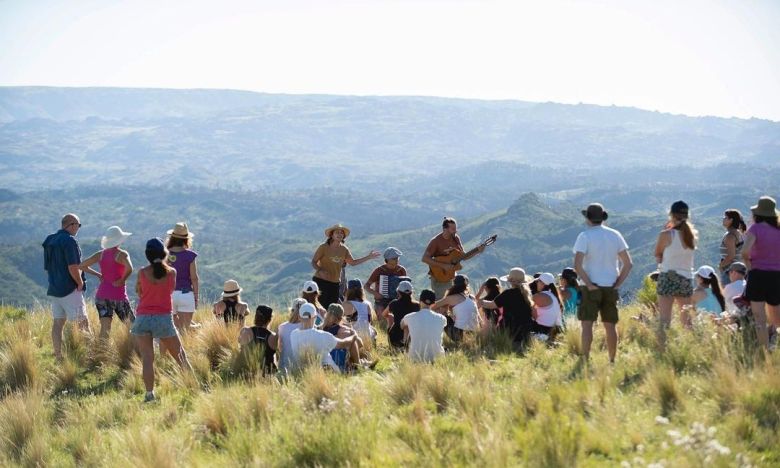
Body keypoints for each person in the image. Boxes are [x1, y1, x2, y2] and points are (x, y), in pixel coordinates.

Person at [131, 238, 193, 402]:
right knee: (180, 356)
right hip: (163, 318)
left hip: (143, 318)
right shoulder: (172, 273)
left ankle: (149, 394)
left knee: (147, 359)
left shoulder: (142, 272)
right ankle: (194, 386)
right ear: (164, 253)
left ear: (147, 255)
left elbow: (139, 292)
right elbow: (170, 290)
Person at [573, 203, 633, 363]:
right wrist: (618, 283)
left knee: (587, 325)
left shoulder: (584, 236)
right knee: (610, 325)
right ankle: (612, 360)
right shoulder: (615, 235)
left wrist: (589, 284)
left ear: (588, 218)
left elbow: (577, 265)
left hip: (590, 287)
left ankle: (585, 359)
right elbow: (628, 264)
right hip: (610, 285)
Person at [43, 213, 90, 360]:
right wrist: (80, 282)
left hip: (54, 289)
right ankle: (90, 355)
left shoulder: (50, 240)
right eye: (78, 225)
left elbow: (47, 267)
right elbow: (73, 266)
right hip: (70, 289)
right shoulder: (70, 241)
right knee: (82, 322)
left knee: (58, 323)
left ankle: (58, 355)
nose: (78, 228)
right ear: (71, 225)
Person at [78, 225, 134, 340]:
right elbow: (130, 268)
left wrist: (98, 275)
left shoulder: (101, 254)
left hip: (102, 296)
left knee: (105, 328)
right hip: (118, 296)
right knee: (132, 326)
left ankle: (101, 355)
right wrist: (122, 280)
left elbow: (82, 265)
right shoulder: (122, 254)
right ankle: (138, 352)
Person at [742, 196, 780, 349]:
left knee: (759, 318)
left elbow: (745, 251)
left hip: (758, 275)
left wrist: (749, 266)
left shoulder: (755, 229)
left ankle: (764, 351)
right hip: (777, 276)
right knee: (776, 318)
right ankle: (774, 346)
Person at [311, 224, 380, 308]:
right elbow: (313, 262)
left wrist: (368, 257)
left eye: (341, 233)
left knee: (331, 308)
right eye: (337, 232)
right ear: (331, 235)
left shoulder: (344, 249)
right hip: (321, 281)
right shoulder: (323, 247)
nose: (340, 234)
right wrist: (320, 270)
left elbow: (353, 262)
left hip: (335, 283)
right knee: (318, 306)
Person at [654, 201, 697, 331]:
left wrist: (667, 228)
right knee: (687, 321)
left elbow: (657, 254)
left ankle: (662, 348)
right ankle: (690, 346)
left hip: (668, 276)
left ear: (671, 214)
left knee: (665, 320)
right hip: (686, 278)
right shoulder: (692, 236)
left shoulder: (666, 234)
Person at [421, 217, 485, 300]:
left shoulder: (456, 238)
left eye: (455, 228)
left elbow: (464, 257)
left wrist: (477, 251)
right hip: (439, 278)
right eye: (453, 229)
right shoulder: (436, 241)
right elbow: (424, 258)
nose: (455, 231)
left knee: (455, 300)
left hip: (451, 276)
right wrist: (443, 265)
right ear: (445, 229)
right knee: (441, 302)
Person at [290, 303, 356, 372]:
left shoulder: (293, 334)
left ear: (299, 317)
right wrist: (354, 336)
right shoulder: (323, 336)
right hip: (331, 374)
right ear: (315, 317)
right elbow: (345, 343)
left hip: (304, 372)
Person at [480, 268, 535, 346]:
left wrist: (481, 302)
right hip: (525, 333)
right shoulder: (526, 294)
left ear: (510, 281)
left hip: (510, 332)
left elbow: (491, 305)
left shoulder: (508, 293)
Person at [166, 222, 199, 332]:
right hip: (186, 294)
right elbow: (194, 278)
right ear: (186, 239)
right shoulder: (190, 256)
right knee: (185, 330)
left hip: (169, 295)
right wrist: (195, 296)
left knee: (173, 330)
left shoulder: (165, 254)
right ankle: (198, 328)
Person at [431, 274, 482, 343]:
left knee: (442, 315)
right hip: (474, 334)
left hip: (459, 335)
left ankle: (433, 338)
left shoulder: (451, 298)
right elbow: (479, 318)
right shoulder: (472, 297)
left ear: (453, 284)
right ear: (466, 285)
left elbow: (433, 306)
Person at [401, 289, 447, 362]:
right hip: (437, 359)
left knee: (406, 326)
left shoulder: (409, 317)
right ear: (433, 303)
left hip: (414, 358)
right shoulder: (442, 318)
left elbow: (402, 325)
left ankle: (405, 350)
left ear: (419, 300)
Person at [365, 247, 408, 316]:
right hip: (381, 301)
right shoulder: (379, 270)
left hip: (397, 300)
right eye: (394, 258)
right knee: (381, 321)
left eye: (397, 258)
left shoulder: (401, 270)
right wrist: (376, 293)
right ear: (387, 260)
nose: (397, 260)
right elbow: (366, 286)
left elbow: (405, 286)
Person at [321, 304, 364, 371]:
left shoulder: (320, 328)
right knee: (353, 340)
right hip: (337, 359)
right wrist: (354, 333)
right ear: (341, 318)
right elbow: (361, 344)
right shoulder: (342, 330)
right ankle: (358, 365)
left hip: (323, 360)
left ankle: (360, 363)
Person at [238, 305, 278, 375]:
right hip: (267, 375)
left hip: (245, 374)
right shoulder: (273, 336)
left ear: (255, 317)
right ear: (269, 320)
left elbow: (239, 347)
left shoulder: (245, 331)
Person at [384, 281, 421, 349]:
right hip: (413, 337)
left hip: (395, 338)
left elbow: (384, 314)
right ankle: (406, 346)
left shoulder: (394, 303)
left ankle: (391, 346)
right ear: (411, 292)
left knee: (390, 317)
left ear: (398, 292)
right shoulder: (417, 305)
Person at [342, 279, 377, 343]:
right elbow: (369, 322)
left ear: (348, 290)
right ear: (361, 290)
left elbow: (342, 323)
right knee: (374, 330)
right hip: (367, 338)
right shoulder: (368, 304)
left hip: (354, 339)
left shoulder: (346, 304)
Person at [277, 298, 307, 373]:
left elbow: (279, 348)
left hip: (284, 368)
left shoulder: (282, 327)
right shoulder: (308, 327)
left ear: (292, 310)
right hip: (302, 369)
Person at [531, 272, 564, 338]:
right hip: (554, 329)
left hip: (542, 329)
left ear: (542, 283)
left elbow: (533, 316)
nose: (537, 283)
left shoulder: (539, 296)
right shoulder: (554, 296)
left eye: (538, 281)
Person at [718, 209, 747, 285]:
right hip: (737, 269)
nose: (723, 219)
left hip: (730, 271)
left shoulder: (730, 236)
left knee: (728, 295)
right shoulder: (737, 233)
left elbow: (731, 256)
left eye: (725, 217)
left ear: (731, 220)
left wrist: (720, 266)